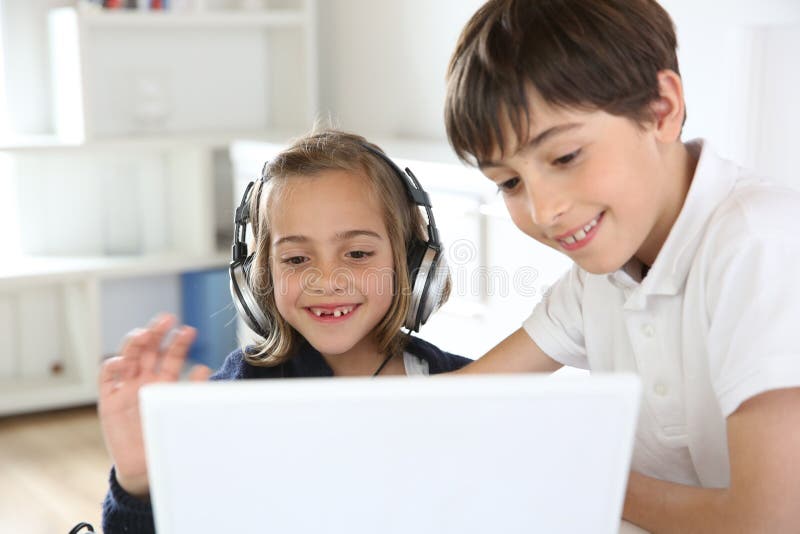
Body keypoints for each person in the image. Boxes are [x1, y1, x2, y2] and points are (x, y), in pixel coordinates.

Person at [444, 0, 800, 532]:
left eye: (564, 157)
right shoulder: (601, 275)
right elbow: (457, 402)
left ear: (661, 108)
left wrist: (590, 472)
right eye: (510, 183)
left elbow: (768, 519)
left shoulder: (760, 245)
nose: (544, 211)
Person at [98, 129, 471, 534]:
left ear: (414, 265)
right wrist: (138, 484)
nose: (326, 280)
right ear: (260, 278)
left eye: (358, 253)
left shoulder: (463, 384)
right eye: (295, 258)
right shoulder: (239, 393)